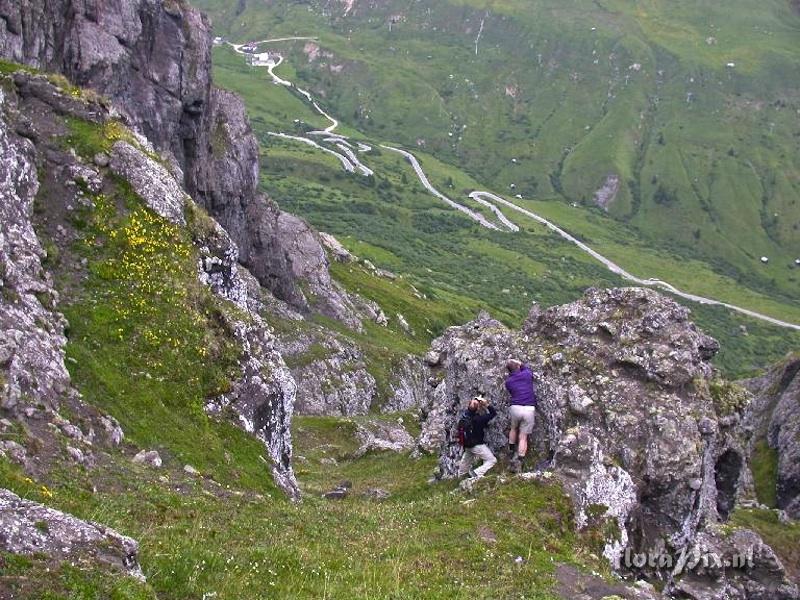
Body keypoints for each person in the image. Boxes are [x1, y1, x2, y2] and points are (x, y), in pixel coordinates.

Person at [505, 358, 536, 473]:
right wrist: (520, 363)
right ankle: (520, 458)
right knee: (523, 436)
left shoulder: (508, 382)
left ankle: (511, 447)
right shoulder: (526, 375)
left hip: (515, 407)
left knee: (513, 428)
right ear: (518, 366)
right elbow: (527, 369)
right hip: (528, 408)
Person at [456, 395, 497, 479]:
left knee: (467, 459)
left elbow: (472, 408)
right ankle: (476, 473)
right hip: (477, 445)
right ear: (478, 408)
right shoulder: (479, 419)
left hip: (467, 444)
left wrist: (475, 403)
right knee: (492, 460)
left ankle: (461, 476)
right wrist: (486, 404)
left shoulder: (464, 416)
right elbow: (493, 413)